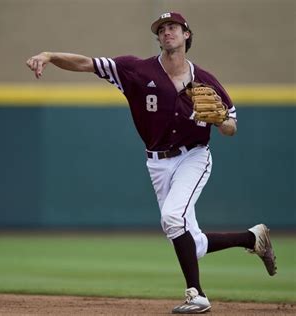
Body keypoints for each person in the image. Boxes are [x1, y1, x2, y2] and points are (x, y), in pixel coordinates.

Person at [26, 12, 276, 314]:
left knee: (172, 218)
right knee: (189, 241)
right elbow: (87, 63)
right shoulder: (136, 70)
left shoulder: (205, 80)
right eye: (162, 29)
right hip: (158, 163)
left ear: (187, 35)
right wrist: (50, 56)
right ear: (158, 38)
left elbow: (231, 127)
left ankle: (196, 295)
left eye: (173, 27)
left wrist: (221, 120)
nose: (167, 32)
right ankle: (253, 237)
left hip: (194, 156)